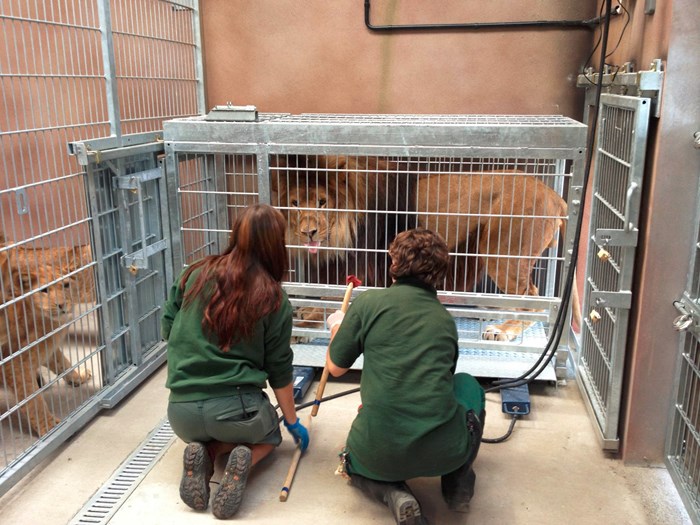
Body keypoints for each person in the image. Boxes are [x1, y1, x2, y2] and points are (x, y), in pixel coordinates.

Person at [325, 228, 485, 525]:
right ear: (439, 273)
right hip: (444, 452)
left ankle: (393, 492)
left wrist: (337, 325)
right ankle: (457, 481)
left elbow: (335, 368)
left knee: (354, 464)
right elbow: (444, 380)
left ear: (393, 265)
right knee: (467, 385)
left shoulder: (368, 304)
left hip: (379, 451)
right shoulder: (444, 320)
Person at [161, 203, 309, 520]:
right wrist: (292, 421)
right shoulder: (273, 298)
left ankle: (206, 451)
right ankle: (239, 464)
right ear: (276, 244)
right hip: (236, 408)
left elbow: (167, 326)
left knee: (213, 432)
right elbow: (279, 369)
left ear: (235, 234)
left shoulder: (195, 273)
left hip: (181, 412)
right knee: (269, 436)